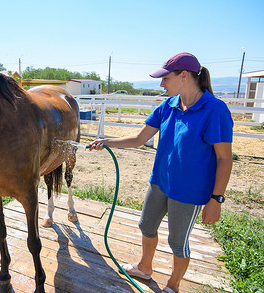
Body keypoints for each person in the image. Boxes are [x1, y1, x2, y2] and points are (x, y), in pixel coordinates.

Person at [89, 52, 233, 293]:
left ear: (184, 76)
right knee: (146, 225)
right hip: (160, 183)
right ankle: (145, 267)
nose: (161, 84)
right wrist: (107, 141)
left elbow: (224, 158)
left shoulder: (215, 110)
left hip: (189, 191)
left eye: (165, 78)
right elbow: (139, 138)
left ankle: (173, 285)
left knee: (177, 242)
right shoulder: (168, 106)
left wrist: (216, 199)